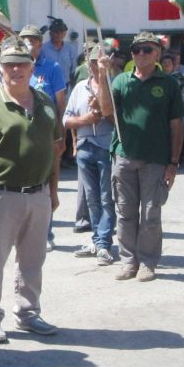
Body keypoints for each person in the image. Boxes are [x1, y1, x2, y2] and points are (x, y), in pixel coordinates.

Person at [0, 37, 62, 343]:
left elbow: (56, 148)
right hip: (0, 195)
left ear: (32, 67)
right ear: (0, 68)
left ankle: (29, 312)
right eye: (9, 65)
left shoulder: (45, 102)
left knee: (33, 260)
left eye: (22, 64)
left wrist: (53, 191)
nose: (16, 70)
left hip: (38, 194)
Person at [96, 32, 184, 282]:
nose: (141, 54)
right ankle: (128, 261)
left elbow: (176, 125)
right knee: (125, 212)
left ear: (158, 53)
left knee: (150, 213)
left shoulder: (169, 84)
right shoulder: (121, 81)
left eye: (147, 49)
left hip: (156, 158)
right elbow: (106, 110)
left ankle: (147, 262)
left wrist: (174, 162)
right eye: (137, 50)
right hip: (123, 156)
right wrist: (102, 75)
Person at [65, 46, 116, 266]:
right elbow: (66, 120)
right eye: (93, 62)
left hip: (106, 145)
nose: (96, 66)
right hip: (85, 146)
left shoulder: (114, 85)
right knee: (91, 198)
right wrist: (85, 119)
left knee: (106, 197)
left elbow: (116, 119)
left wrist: (102, 108)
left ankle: (104, 242)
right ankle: (97, 239)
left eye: (101, 62)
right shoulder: (79, 88)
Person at [19, 23, 66, 249]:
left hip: (45, 135)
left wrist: (61, 134)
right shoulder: (15, 67)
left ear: (40, 43)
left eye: (33, 39)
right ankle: (21, 232)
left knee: (45, 184)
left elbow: (60, 103)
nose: (29, 43)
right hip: (20, 135)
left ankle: (45, 233)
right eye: (25, 39)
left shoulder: (52, 68)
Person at [40, 17, 76, 86]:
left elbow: (73, 68)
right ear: (50, 33)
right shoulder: (43, 49)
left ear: (65, 34)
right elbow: (40, 69)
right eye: (56, 32)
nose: (59, 35)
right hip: (48, 86)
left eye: (61, 32)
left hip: (65, 85)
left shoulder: (70, 48)